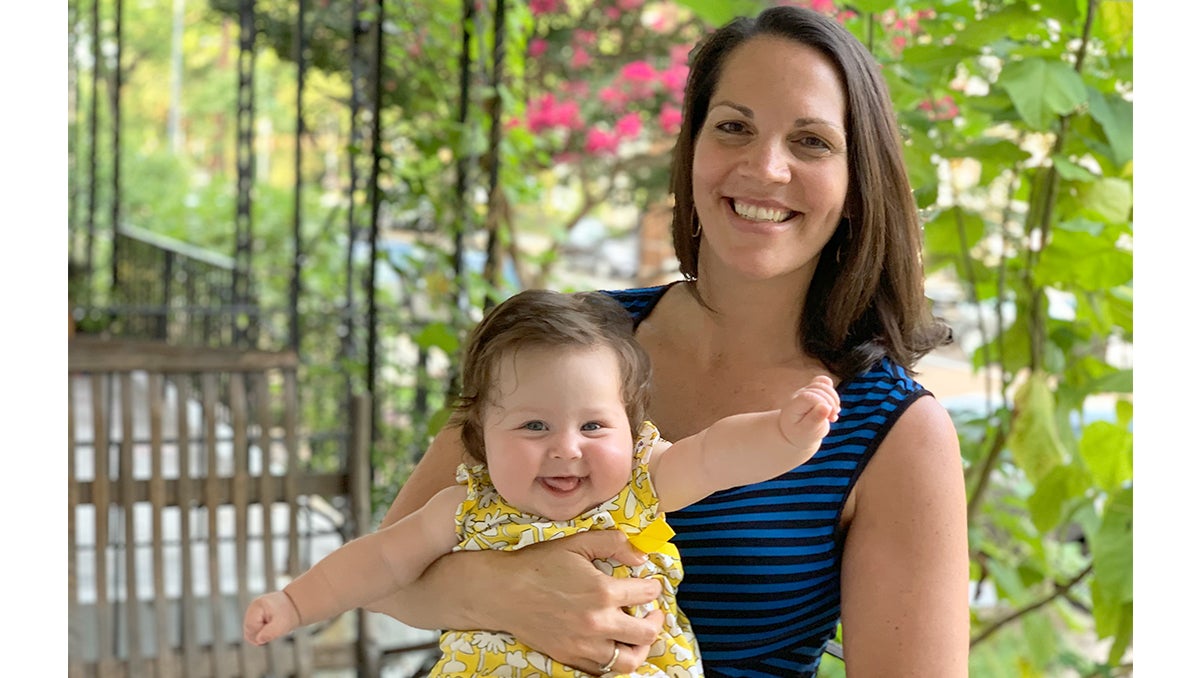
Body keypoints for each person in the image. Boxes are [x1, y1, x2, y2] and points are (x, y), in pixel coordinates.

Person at [367, 5, 969, 677]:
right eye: (734, 128)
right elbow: (383, 576)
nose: (765, 167)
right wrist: (509, 593)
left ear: (858, 185)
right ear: (693, 151)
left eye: (812, 142)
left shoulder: (894, 431)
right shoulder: (572, 341)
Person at [243, 289, 841, 677]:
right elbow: (379, 562)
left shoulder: (638, 484)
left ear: (631, 431)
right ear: (479, 433)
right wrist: (295, 602)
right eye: (534, 425)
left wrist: (786, 436)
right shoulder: (465, 506)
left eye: (594, 425)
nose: (566, 448)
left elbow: (717, 455)